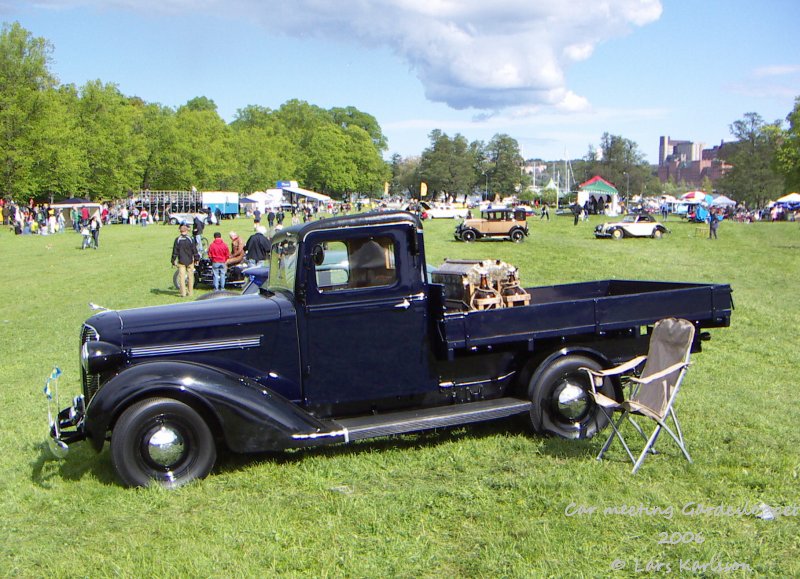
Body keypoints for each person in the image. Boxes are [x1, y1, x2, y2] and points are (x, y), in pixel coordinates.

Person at [172, 224, 200, 297]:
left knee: (181, 277)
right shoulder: (190, 239)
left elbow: (175, 251)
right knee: (190, 277)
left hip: (181, 260)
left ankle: (183, 293)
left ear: (180, 231)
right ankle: (190, 292)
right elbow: (194, 249)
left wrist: (173, 260)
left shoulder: (177, 239)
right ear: (187, 231)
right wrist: (196, 258)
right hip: (190, 260)